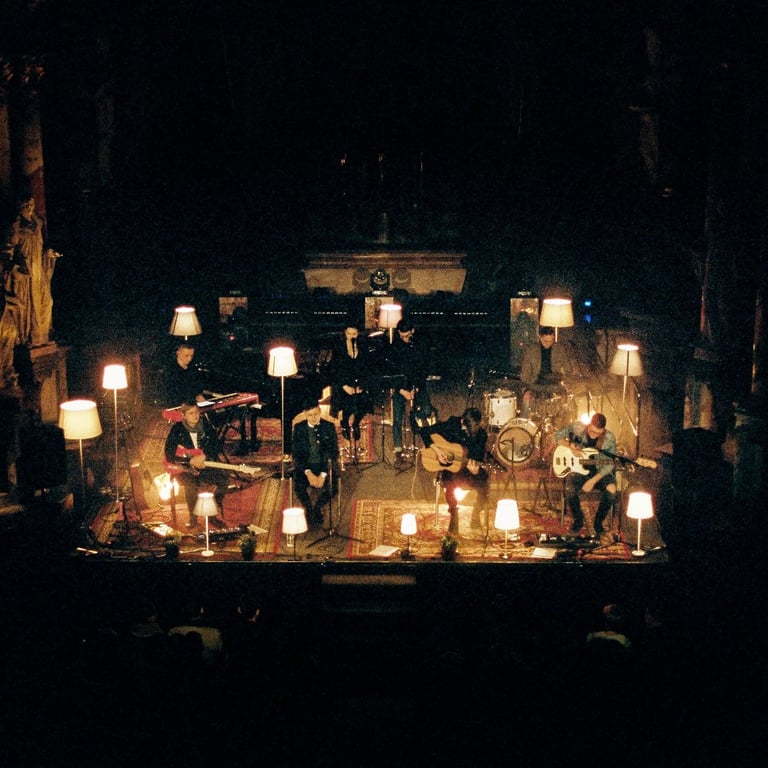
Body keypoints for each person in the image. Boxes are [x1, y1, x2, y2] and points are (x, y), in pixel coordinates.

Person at [1, 192, 61, 386]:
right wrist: (15, 268)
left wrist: (48, 254)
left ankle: (41, 335)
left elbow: (42, 246)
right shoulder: (15, 227)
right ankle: (28, 338)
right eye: (25, 205)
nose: (29, 207)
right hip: (24, 277)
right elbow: (7, 253)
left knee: (46, 303)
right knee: (27, 308)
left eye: (31, 204)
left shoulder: (38, 223)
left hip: (38, 271)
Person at [420, 406, 489, 534]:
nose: (467, 433)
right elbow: (424, 431)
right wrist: (437, 450)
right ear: (462, 421)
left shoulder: (481, 435)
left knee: (484, 481)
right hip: (450, 468)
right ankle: (453, 513)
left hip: (468, 469)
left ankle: (476, 512)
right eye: (465, 429)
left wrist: (475, 471)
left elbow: (478, 456)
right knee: (450, 480)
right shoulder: (452, 424)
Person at [163, 401, 228, 527]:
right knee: (191, 485)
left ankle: (212, 514)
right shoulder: (177, 429)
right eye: (191, 413)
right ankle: (193, 518)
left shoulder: (206, 426)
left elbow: (216, 446)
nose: (195, 416)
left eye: (197, 412)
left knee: (223, 479)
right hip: (185, 466)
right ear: (184, 415)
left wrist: (204, 456)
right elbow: (169, 453)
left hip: (206, 462)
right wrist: (190, 461)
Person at [552, 412, 618, 534]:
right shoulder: (577, 427)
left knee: (612, 490)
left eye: (598, 433)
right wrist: (570, 446)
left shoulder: (609, 438)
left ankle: (598, 523)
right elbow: (556, 436)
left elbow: (609, 464)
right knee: (570, 489)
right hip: (578, 471)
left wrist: (592, 481)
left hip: (599, 472)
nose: (594, 435)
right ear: (589, 425)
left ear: (603, 430)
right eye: (592, 431)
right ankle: (578, 519)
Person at [388, 317, 434, 462]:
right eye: (402, 336)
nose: (405, 339)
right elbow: (391, 372)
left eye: (407, 336)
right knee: (397, 419)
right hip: (400, 388)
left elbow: (424, 368)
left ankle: (414, 417)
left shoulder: (420, 345)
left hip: (417, 386)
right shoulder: (394, 347)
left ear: (412, 331)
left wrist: (416, 389)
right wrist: (402, 390)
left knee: (426, 410)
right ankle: (398, 449)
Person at [291, 399, 339, 525]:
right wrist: (308, 473)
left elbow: (333, 453)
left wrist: (323, 475)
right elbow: (297, 454)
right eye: (310, 415)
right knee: (298, 485)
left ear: (320, 411)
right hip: (306, 466)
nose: (313, 418)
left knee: (333, 487)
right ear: (305, 414)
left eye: (316, 414)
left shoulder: (329, 427)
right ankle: (308, 508)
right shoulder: (299, 428)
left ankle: (318, 507)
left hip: (324, 465)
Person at [329, 322, 373, 444]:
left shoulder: (362, 345)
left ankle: (356, 423)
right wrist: (344, 385)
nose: (352, 336)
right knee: (348, 403)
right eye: (349, 333)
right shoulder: (339, 347)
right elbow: (335, 368)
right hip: (344, 383)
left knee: (363, 403)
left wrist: (362, 385)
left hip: (358, 382)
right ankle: (345, 423)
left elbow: (367, 367)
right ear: (345, 333)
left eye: (354, 334)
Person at [519, 325, 571, 419]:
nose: (548, 344)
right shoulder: (531, 350)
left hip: (554, 384)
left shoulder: (560, 349)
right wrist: (526, 389)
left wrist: (565, 382)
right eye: (545, 341)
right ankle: (525, 424)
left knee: (566, 401)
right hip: (535, 384)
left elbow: (568, 369)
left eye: (551, 341)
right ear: (540, 337)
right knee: (526, 399)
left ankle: (563, 424)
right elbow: (525, 373)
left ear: (554, 337)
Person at [164, 341, 208, 407]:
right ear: (178, 353)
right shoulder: (170, 371)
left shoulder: (193, 369)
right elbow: (171, 393)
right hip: (178, 405)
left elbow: (198, 386)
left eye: (191, 356)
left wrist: (199, 395)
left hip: (194, 404)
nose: (189, 359)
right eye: (186, 356)